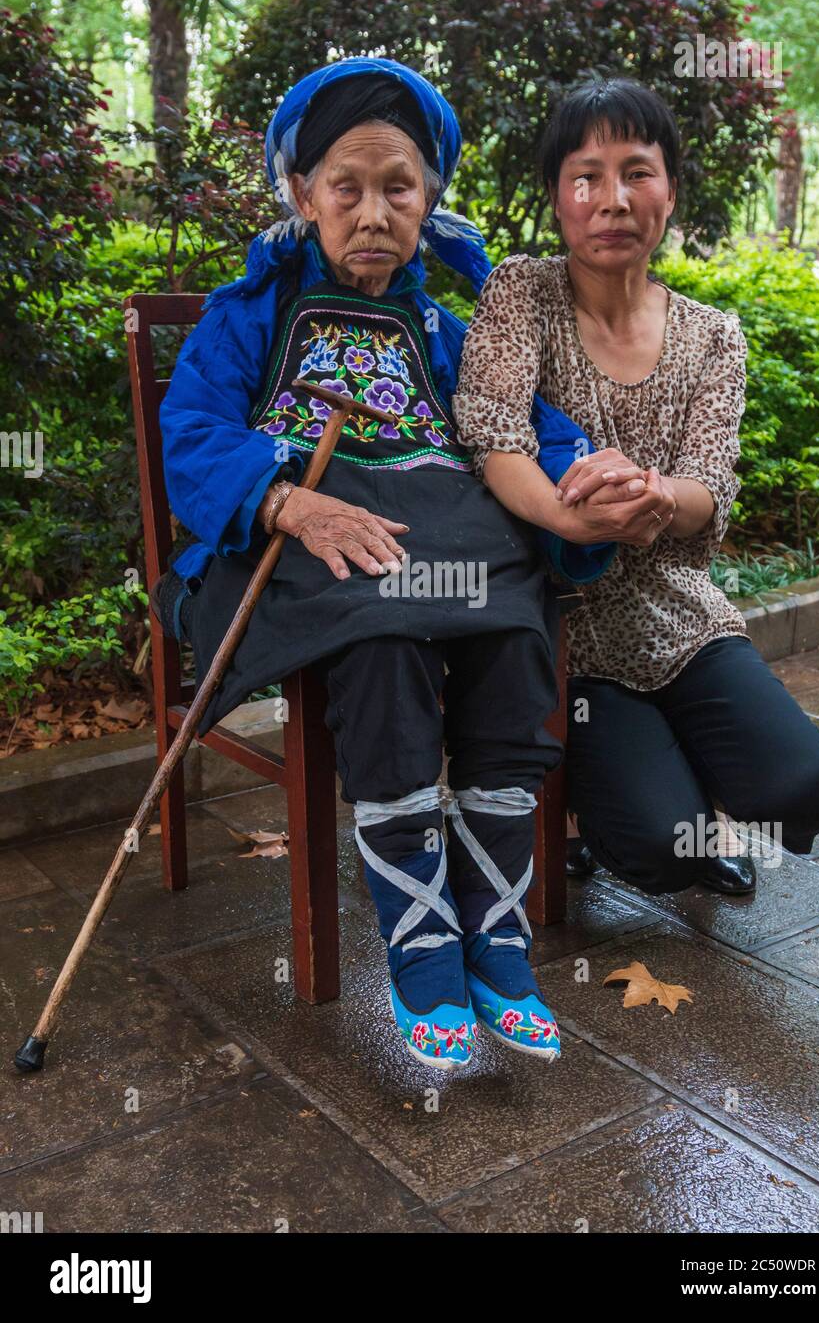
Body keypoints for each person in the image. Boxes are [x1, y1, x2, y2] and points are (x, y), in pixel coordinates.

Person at [156, 57, 614, 1070]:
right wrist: (284, 497)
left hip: (431, 548)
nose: (371, 212)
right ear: (301, 194)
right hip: (294, 551)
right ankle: (417, 934)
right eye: (345, 187)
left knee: (507, 623)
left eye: (397, 187)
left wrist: (581, 471)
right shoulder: (252, 314)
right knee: (383, 633)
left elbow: (521, 426)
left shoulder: (447, 332)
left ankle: (492, 927)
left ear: (428, 199)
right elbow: (188, 431)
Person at [453, 76, 819, 899]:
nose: (612, 198)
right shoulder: (523, 293)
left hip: (678, 612)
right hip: (562, 628)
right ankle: (591, 817)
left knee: (805, 789)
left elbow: (711, 484)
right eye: (586, 175)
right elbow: (492, 438)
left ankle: (684, 788)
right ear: (558, 196)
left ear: (669, 190)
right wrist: (578, 518)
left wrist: (661, 498)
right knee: (662, 853)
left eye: (638, 171)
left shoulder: (713, 335)